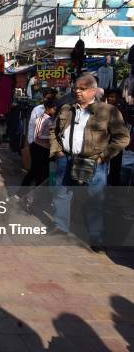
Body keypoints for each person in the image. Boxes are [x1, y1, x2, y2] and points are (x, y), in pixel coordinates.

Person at [49, 74, 130, 252]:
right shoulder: (67, 109)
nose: (77, 91)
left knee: (96, 200)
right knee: (61, 193)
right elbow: (53, 131)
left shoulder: (108, 111)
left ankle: (96, 237)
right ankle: (60, 226)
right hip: (67, 159)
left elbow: (122, 138)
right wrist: (58, 152)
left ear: (93, 90)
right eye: (76, 88)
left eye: (82, 88)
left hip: (94, 162)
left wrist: (104, 157)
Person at [21, 98, 57, 189]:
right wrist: (52, 137)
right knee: (34, 171)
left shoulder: (51, 119)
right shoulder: (43, 119)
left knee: (42, 173)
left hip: (45, 149)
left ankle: (35, 194)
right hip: (38, 148)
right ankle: (21, 192)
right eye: (54, 109)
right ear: (48, 108)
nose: (55, 111)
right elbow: (38, 135)